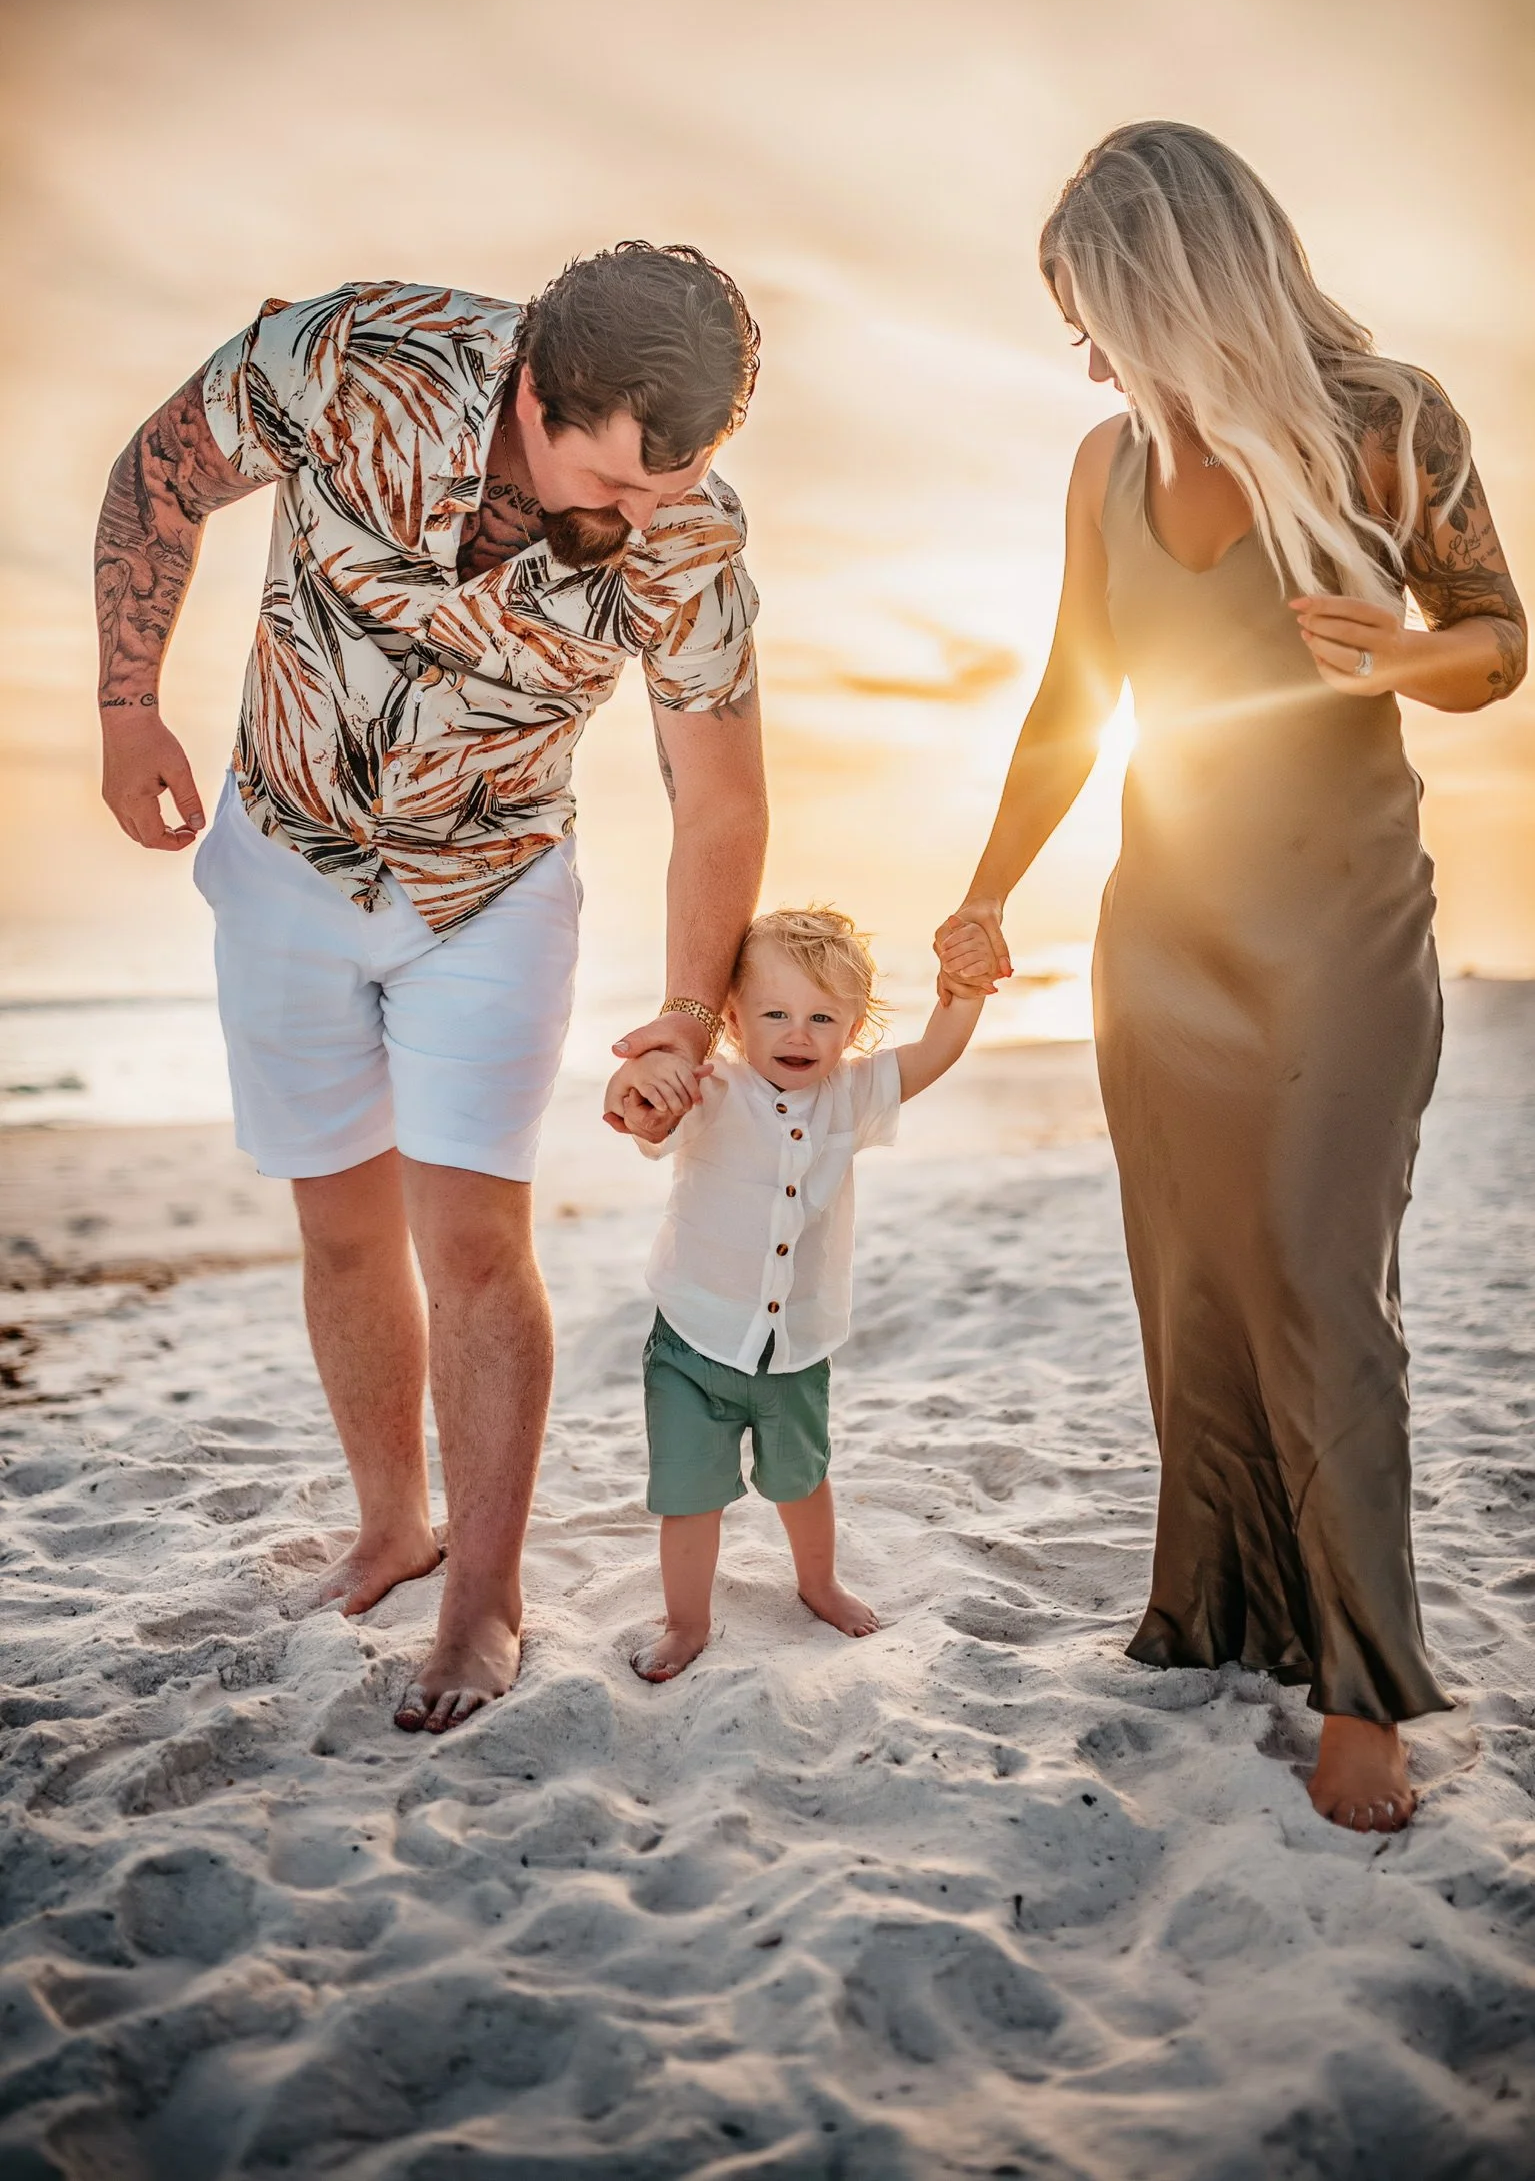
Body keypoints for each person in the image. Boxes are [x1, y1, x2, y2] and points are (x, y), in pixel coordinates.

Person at [935, 124, 1526, 1834]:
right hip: (1164, 930)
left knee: (1325, 1291)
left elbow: (1499, 633)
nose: (1089, 353)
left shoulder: (1387, 420)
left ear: (1178, 286)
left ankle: (1365, 1693)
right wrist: (982, 897)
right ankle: (1215, 1618)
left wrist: (1412, 653)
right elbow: (1069, 699)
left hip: (1345, 930)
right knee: (1194, 1288)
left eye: (1098, 313)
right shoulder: (1103, 463)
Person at [94, 244, 770, 1733]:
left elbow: (716, 799)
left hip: (492, 887)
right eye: (615, 484)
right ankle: (394, 1523)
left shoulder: (691, 535)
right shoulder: (347, 358)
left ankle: (483, 1603)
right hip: (280, 851)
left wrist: (682, 1007)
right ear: (536, 389)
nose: (643, 518)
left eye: (675, 486)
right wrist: (126, 703)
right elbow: (158, 474)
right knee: (339, 1223)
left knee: (471, 1236)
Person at [608, 908, 983, 1681]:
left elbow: (935, 1053)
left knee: (801, 1479)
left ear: (852, 1026)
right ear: (735, 1018)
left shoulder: (853, 1092)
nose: (798, 1034)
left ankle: (818, 1584)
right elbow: (646, 1114)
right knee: (690, 1494)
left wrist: (964, 991)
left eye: (822, 1017)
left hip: (796, 1344)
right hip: (693, 1337)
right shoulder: (710, 1086)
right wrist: (642, 1086)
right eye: (775, 1014)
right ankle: (686, 1623)